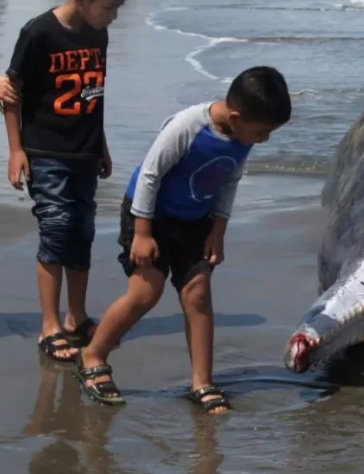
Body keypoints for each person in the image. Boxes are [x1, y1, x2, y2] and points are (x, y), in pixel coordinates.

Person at [74, 66, 292, 415]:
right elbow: (149, 174)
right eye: (263, 132)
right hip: (149, 216)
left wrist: (217, 231)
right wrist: (142, 233)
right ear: (236, 117)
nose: (264, 139)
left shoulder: (242, 137)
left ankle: (202, 381)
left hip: (197, 221)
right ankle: (93, 354)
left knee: (198, 293)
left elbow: (229, 181)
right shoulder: (188, 127)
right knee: (145, 292)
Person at [0, 0, 131, 362]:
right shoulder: (38, 33)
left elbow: (96, 94)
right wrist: (16, 150)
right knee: (56, 232)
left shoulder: (99, 34)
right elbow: (10, 93)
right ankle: (49, 325)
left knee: (82, 233)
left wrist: (103, 146)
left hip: (86, 152)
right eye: (109, 7)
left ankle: (76, 317)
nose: (114, 16)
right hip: (45, 151)